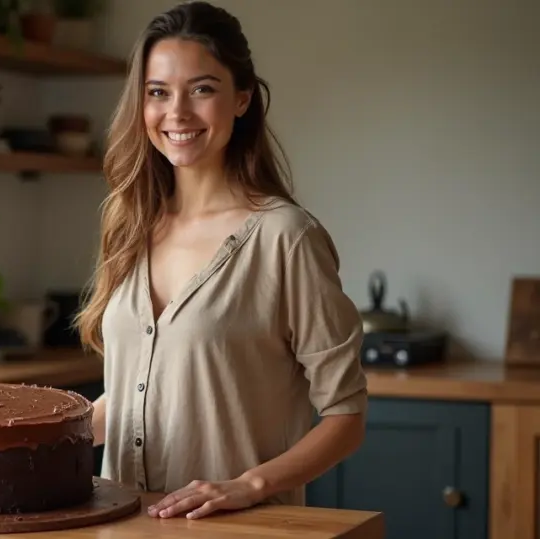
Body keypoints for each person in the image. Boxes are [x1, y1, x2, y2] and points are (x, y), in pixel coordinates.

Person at [73, 0, 368, 521]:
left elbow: (346, 416)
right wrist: (23, 434)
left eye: (202, 89)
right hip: (123, 528)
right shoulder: (128, 227)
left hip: (241, 529)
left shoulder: (286, 237)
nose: (177, 113)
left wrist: (247, 485)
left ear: (242, 99)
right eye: (158, 92)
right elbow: (129, 399)